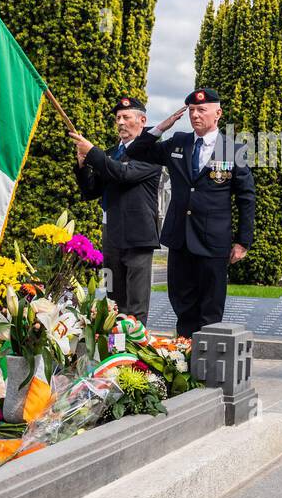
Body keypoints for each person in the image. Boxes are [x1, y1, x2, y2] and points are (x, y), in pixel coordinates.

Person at [127, 88, 256, 339]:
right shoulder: (179, 142)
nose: (196, 115)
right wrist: (161, 128)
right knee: (183, 304)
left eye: (202, 110)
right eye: (192, 111)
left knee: (211, 307)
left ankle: (207, 362)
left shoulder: (233, 149)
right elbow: (136, 151)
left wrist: (243, 241)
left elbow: (246, 197)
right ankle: (184, 357)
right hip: (180, 238)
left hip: (213, 241)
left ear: (217, 113)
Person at [70, 95, 164, 324]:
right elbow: (92, 191)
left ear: (142, 120)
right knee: (112, 302)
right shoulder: (111, 153)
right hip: (112, 238)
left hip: (139, 239)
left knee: (135, 306)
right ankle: (114, 352)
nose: (120, 122)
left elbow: (124, 174)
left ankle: (134, 355)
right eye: (118, 118)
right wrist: (83, 165)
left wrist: (93, 152)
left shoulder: (151, 152)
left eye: (126, 117)